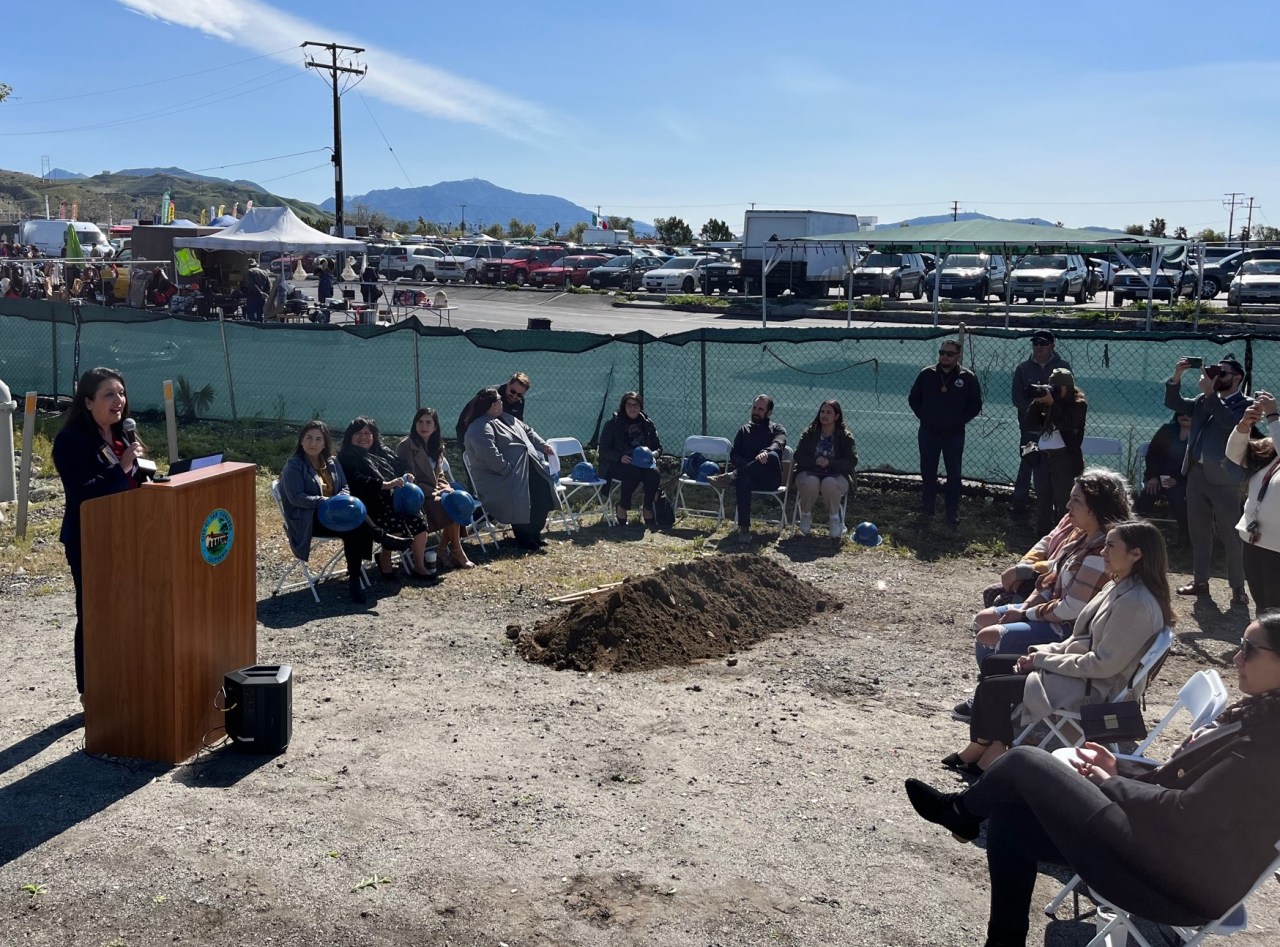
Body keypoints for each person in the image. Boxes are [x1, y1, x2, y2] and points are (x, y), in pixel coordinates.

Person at [905, 610, 1280, 947]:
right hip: (1163, 852)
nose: (1236, 655)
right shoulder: (1261, 714)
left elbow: (1188, 812)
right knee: (1009, 821)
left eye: (1248, 648)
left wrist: (1107, 781)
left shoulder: (1268, 742)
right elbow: (1186, 786)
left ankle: (959, 811)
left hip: (1172, 884)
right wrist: (1122, 770)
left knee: (1025, 761)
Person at [943, 520, 1172, 775]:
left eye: (1110, 546)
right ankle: (990, 745)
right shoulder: (1119, 586)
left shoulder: (1136, 603)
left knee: (993, 689)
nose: (1103, 552)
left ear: (1136, 554)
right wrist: (1042, 653)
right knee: (993, 664)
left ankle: (987, 751)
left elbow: (1103, 665)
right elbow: (1085, 641)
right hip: (1086, 673)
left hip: (1097, 688)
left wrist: (1041, 661)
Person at [956, 469, 1132, 720]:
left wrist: (1025, 615)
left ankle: (1002, 699)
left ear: (1096, 507)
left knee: (988, 636)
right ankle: (998, 692)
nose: (1068, 505)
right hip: (1052, 615)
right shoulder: (1080, 535)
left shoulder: (1099, 551)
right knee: (983, 620)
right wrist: (1022, 609)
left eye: (1076, 501)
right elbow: (1049, 580)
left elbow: (1073, 608)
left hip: (1070, 630)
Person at [52, 368, 145, 698]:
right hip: (90, 540)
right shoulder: (71, 441)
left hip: (131, 536)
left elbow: (135, 483)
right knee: (95, 613)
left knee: (131, 610)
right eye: (109, 394)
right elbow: (85, 493)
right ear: (88, 402)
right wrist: (121, 468)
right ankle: (91, 689)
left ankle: (125, 677)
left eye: (121, 393)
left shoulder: (123, 436)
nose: (119, 400)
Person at [1166, 356, 1254, 605]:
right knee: (1199, 531)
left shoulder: (1246, 404)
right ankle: (1200, 582)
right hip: (1196, 474)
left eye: (1223, 373)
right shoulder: (1204, 400)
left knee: (1231, 534)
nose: (1217, 377)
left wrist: (1210, 395)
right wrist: (1176, 377)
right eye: (1215, 372)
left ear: (1237, 378)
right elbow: (1174, 403)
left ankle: (1238, 588)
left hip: (1225, 479)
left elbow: (1230, 424)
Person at [279, 421, 396, 605]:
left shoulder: (332, 462)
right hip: (309, 518)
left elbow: (345, 486)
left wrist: (339, 500)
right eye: (308, 438)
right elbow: (296, 498)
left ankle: (355, 580)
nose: (313, 443)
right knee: (354, 522)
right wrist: (327, 502)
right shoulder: (294, 465)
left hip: (333, 513)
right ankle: (382, 538)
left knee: (354, 525)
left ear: (325, 443)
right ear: (301, 441)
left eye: (318, 439)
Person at [337, 417, 436, 580]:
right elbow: (357, 481)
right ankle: (385, 558)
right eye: (359, 433)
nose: (363, 437)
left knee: (419, 521)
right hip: (369, 504)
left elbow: (401, 464)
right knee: (394, 523)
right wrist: (385, 485)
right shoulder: (347, 457)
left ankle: (419, 565)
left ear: (374, 435)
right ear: (350, 436)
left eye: (367, 433)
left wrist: (407, 474)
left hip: (395, 499)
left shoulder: (382, 451)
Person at [462, 387, 557, 550]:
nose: (502, 401)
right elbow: (489, 454)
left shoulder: (504, 417)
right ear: (492, 405)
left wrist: (543, 446)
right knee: (521, 498)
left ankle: (534, 534)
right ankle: (525, 539)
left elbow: (528, 431)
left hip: (526, 470)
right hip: (502, 478)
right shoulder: (479, 426)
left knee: (543, 492)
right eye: (499, 399)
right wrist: (508, 470)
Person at [908, 337, 984, 526]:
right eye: (942, 353)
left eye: (949, 354)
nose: (944, 357)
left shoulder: (967, 377)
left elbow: (975, 404)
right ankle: (927, 507)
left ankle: (952, 512)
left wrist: (959, 420)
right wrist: (924, 417)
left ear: (958, 356)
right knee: (928, 470)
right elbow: (914, 398)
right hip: (929, 431)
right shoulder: (927, 374)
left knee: (954, 473)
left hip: (954, 434)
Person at [397, 407, 475, 570]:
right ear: (414, 424)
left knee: (456, 500)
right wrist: (435, 492)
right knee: (451, 506)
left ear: (435, 427)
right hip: (418, 497)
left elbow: (440, 476)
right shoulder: (406, 446)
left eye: (428, 422)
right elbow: (408, 478)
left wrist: (446, 488)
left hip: (436, 493)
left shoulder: (437, 446)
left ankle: (444, 549)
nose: (423, 426)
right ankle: (456, 551)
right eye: (420, 422)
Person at [1227, 390, 1280, 613]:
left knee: (1276, 608)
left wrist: (1273, 416)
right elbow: (1235, 455)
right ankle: (1262, 644)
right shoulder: (1272, 448)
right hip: (1255, 539)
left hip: (1277, 546)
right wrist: (1244, 426)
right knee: (1262, 605)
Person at [711, 394, 788, 544]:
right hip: (750, 478)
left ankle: (733, 475)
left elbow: (779, 444)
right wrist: (748, 465)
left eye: (760, 409)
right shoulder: (744, 430)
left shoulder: (777, 429)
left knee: (771, 456)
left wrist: (765, 452)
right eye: (754, 407)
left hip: (769, 479)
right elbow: (734, 455)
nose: (756, 411)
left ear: (769, 412)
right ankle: (744, 529)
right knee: (744, 478)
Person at [1010, 331, 1071, 516]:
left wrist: (1051, 410)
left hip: (1054, 427)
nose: (1038, 347)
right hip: (1030, 427)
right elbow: (1016, 397)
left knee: (1054, 466)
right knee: (1027, 460)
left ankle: (1053, 507)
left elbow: (1068, 394)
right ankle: (1019, 503)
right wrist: (1034, 411)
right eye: (1035, 344)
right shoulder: (1023, 368)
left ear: (1052, 346)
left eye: (1043, 344)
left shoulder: (1062, 367)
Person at [1024, 368, 1087, 534]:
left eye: (1058, 386)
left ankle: (1066, 538)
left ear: (1068, 387)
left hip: (1064, 459)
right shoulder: (1046, 402)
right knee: (1043, 501)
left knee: (1065, 503)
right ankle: (1042, 538)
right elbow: (1031, 423)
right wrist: (1038, 402)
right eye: (1052, 385)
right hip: (1043, 457)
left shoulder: (1078, 405)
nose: (1054, 389)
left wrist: (1053, 403)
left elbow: (1066, 424)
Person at [792, 399, 858, 538]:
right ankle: (805, 514)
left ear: (837, 416)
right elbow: (799, 456)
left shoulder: (845, 437)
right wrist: (815, 461)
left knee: (829, 483)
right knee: (811, 482)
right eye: (822, 411)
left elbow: (851, 461)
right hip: (809, 471)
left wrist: (830, 463)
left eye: (829, 412)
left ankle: (835, 518)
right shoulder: (809, 433)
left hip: (837, 475)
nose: (824, 415)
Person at [598, 391, 663, 528]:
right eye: (629, 405)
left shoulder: (647, 424)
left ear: (640, 407)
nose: (632, 408)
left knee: (654, 473)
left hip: (644, 464)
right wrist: (620, 457)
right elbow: (604, 450)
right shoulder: (613, 424)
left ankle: (647, 508)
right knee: (633, 471)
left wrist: (653, 455)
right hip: (619, 463)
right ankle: (623, 506)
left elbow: (658, 448)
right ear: (623, 406)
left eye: (636, 405)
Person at [1133, 410, 1193, 545]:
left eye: (1190, 413)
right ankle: (1135, 532)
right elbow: (1152, 454)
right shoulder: (1167, 430)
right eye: (1182, 412)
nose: (1185, 415)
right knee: (1148, 493)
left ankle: (1185, 535)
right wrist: (1153, 477)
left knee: (1177, 497)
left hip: (1183, 479)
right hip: (1158, 476)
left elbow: (1197, 464)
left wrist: (1178, 480)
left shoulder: (1199, 435)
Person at [454, 372, 530, 445]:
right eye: (513, 391)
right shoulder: (490, 395)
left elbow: (518, 425)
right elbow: (466, 420)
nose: (515, 396)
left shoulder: (520, 402)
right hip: (476, 438)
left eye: (519, 394)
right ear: (508, 384)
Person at [242, 257, 270, 322]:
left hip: (252, 297)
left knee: (251, 315)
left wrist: (260, 292)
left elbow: (251, 284)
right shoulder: (264, 272)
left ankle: (253, 330)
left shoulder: (250, 272)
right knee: (260, 315)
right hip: (262, 298)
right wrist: (265, 293)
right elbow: (269, 285)